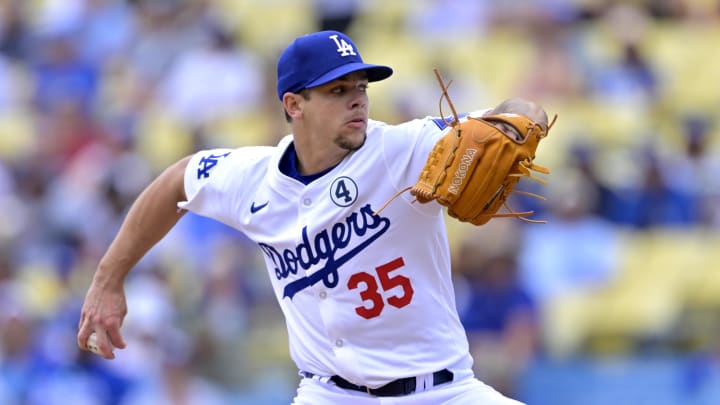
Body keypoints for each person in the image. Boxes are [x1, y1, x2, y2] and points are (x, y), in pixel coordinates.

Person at [77, 30, 548, 404]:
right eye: (338, 90)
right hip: (327, 393)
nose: (358, 100)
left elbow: (519, 112)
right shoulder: (253, 179)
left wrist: (524, 121)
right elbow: (179, 179)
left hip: (442, 392)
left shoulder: (406, 149)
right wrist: (108, 279)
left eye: (361, 88)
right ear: (294, 104)